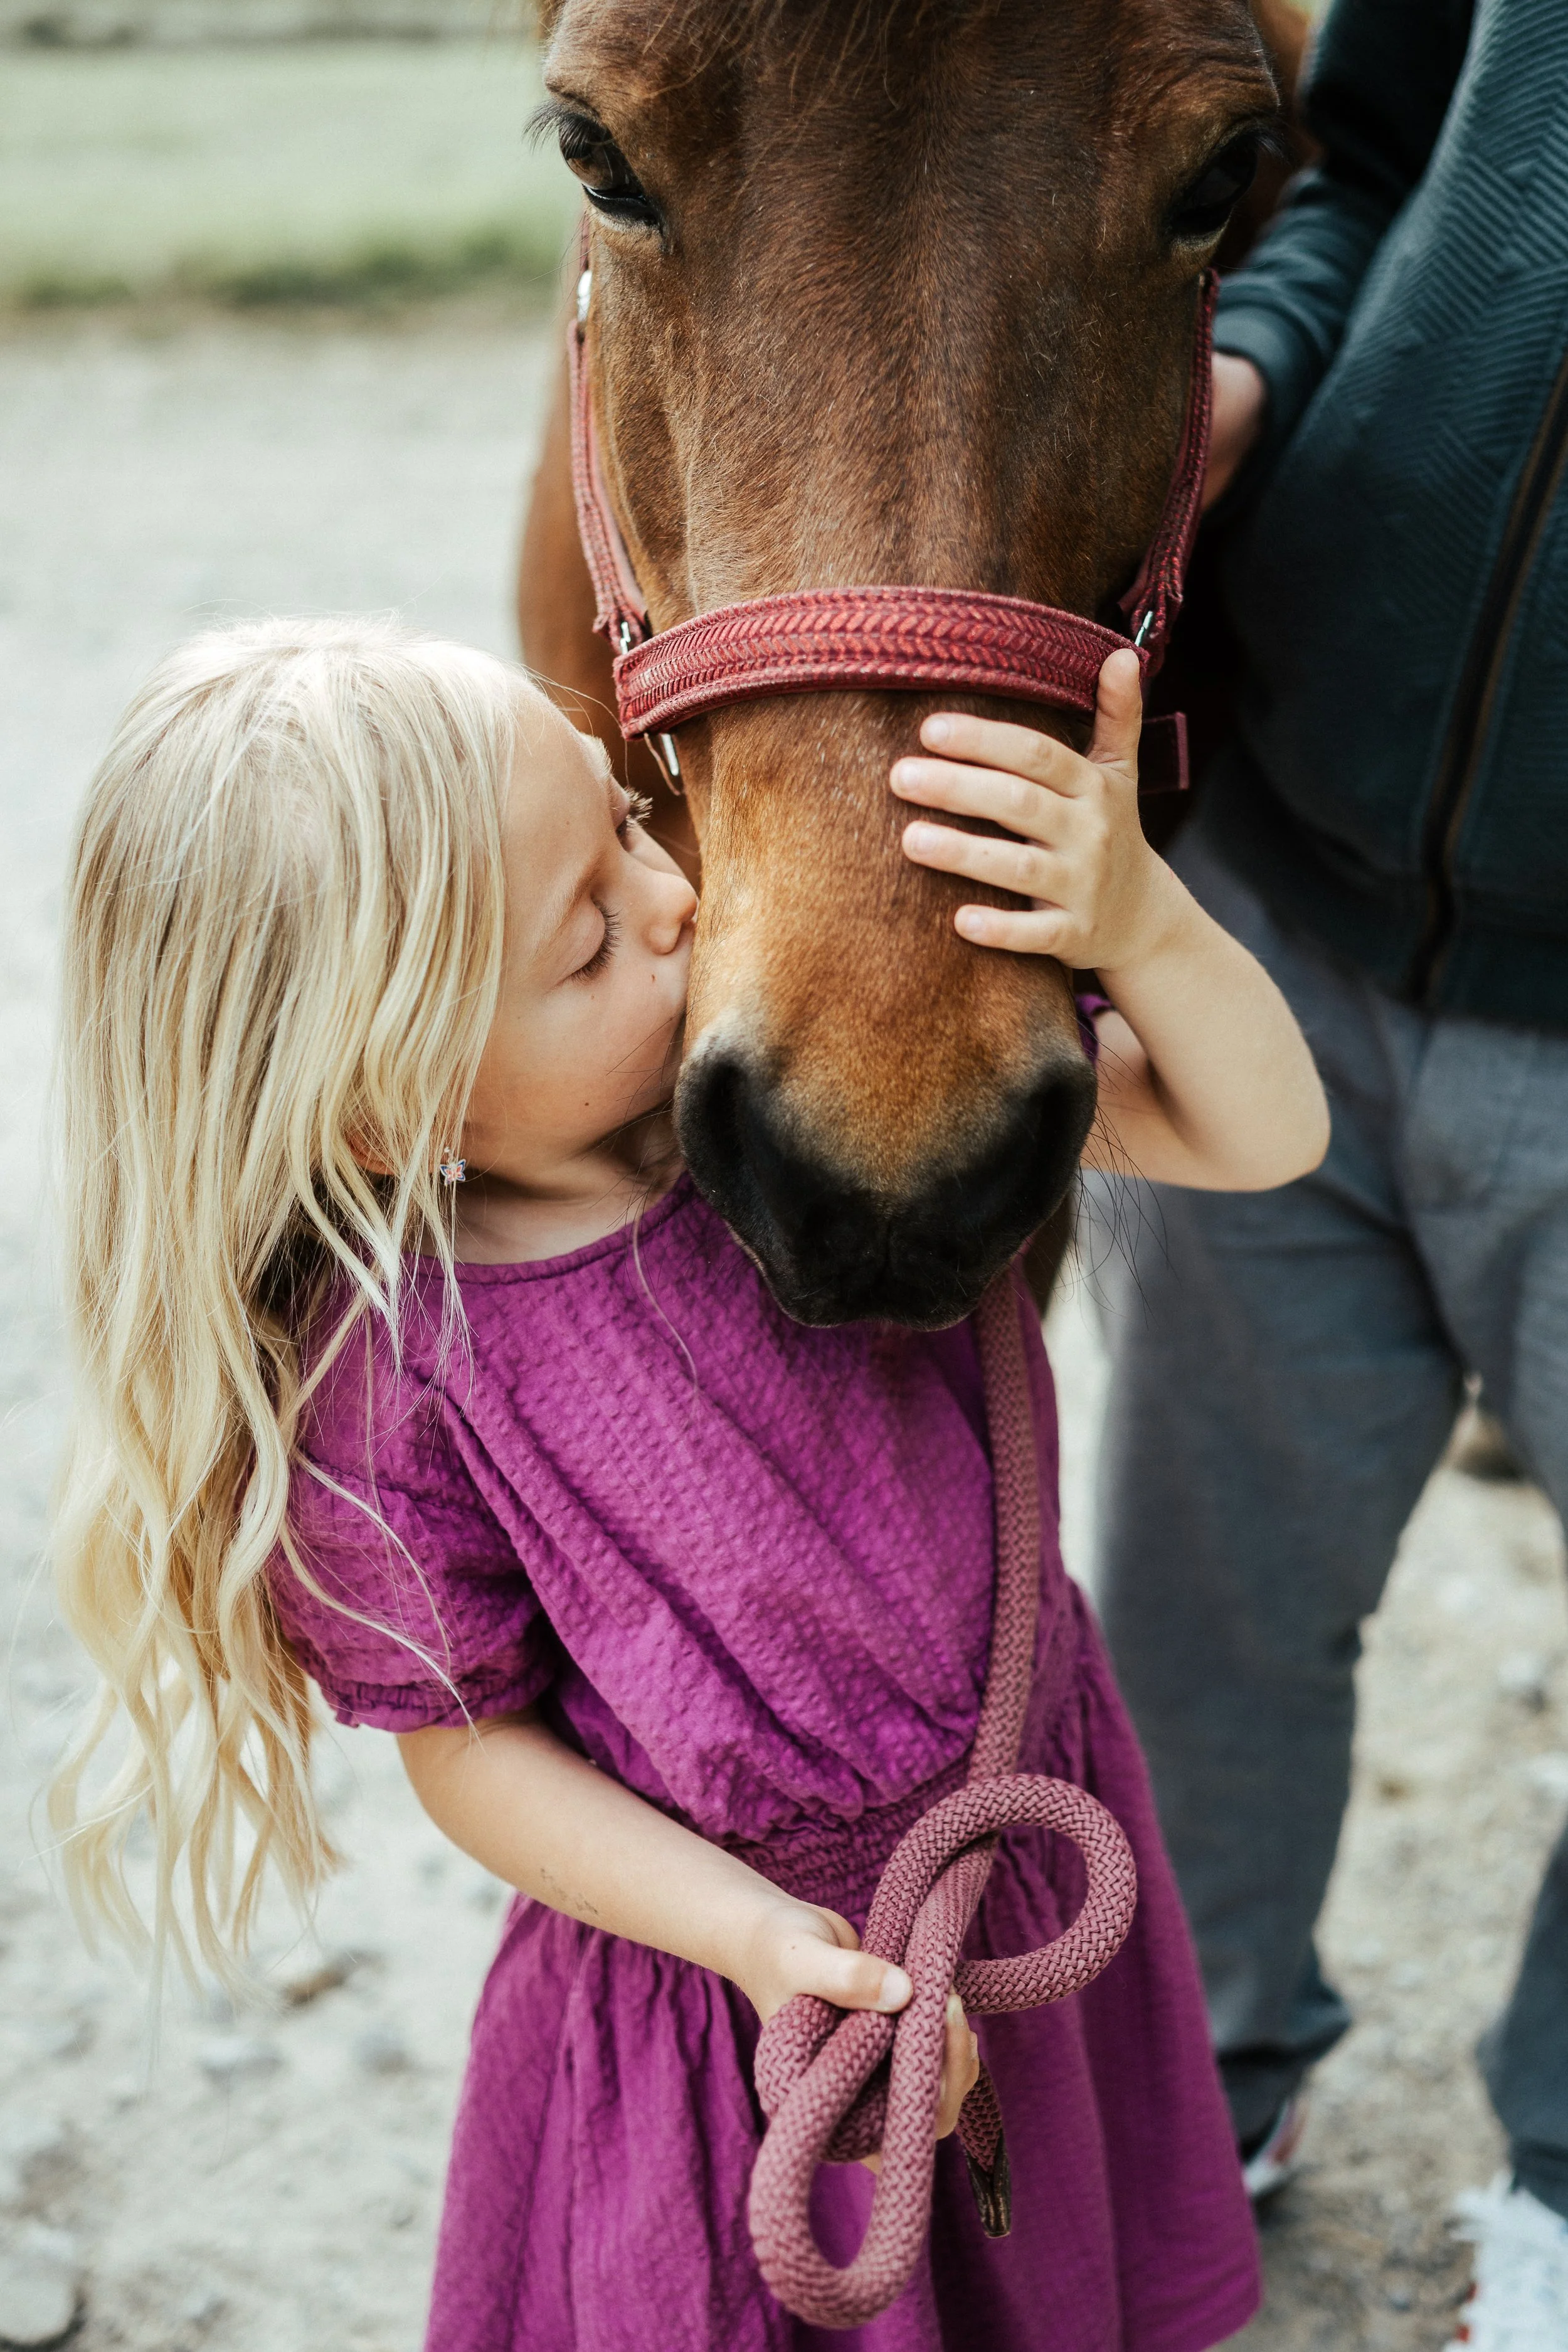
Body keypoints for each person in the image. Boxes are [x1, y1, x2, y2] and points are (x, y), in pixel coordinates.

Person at [48, 617, 1325, 2352]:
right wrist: (749, 1936)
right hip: (742, 1981)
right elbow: (466, 1743)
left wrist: (1138, 919)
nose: (671, 900)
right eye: (588, 937)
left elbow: (1260, 1132)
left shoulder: (806, 1102)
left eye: (633, 825)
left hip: (1008, 1847)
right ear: (390, 1111)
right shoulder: (396, 1376)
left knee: (1042, 2273)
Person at [1094, 0, 1568, 2344]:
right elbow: (1353, 152)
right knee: (1197, 1581)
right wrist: (1250, 387)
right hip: (1268, 881)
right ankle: (1196, 2069)